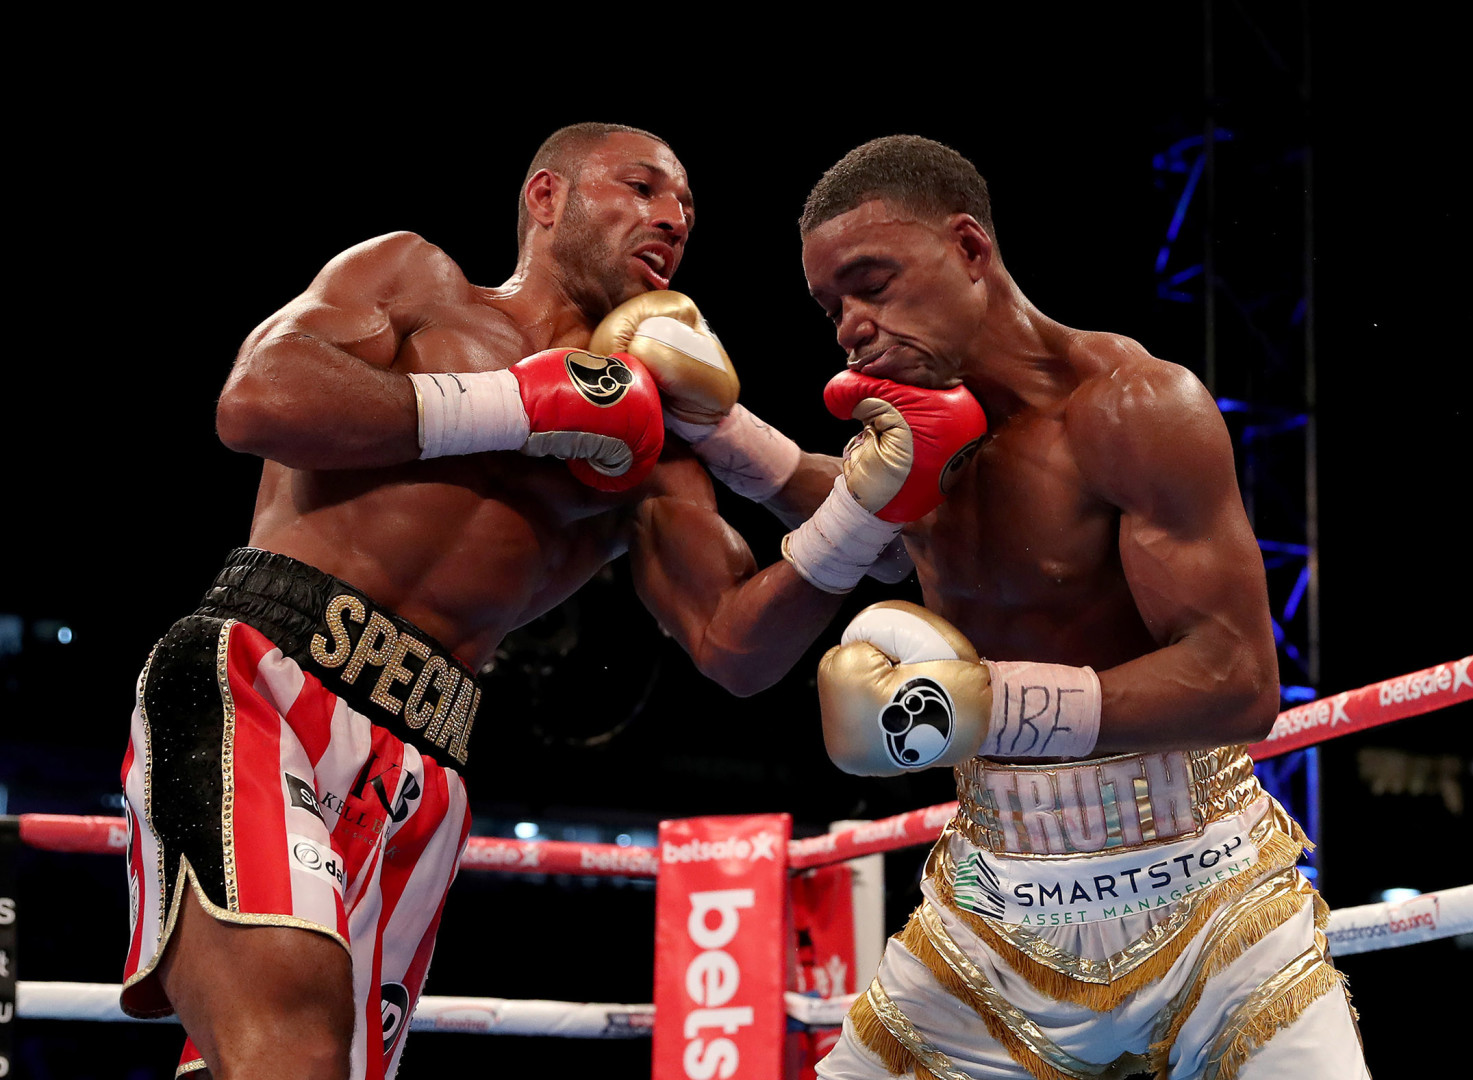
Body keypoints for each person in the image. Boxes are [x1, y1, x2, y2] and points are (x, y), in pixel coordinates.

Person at [116, 121, 985, 1080]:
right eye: (642, 188)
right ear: (546, 199)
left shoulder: (649, 455)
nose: (670, 218)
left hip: (422, 758)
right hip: (260, 680)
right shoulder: (414, 282)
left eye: (686, 209)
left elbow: (733, 645)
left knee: (300, 1062)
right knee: (290, 1045)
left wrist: (857, 506)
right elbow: (257, 401)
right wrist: (525, 402)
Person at [803, 136, 1370, 1079]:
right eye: (831, 308)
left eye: (872, 282)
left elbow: (1238, 679)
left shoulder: (1133, 408)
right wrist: (716, 430)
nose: (851, 327)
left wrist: (986, 704)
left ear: (970, 250)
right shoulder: (904, 449)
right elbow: (766, 592)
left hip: (1210, 904)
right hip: (991, 917)